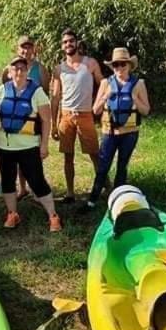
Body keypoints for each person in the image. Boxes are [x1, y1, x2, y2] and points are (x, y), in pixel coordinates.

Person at [0, 56, 62, 232]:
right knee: (7, 181)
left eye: (22, 68)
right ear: (10, 72)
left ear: (27, 70)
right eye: (15, 69)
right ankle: (12, 213)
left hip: (28, 147)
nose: (18, 71)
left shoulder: (37, 92)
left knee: (37, 181)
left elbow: (46, 120)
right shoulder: (1, 90)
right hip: (3, 147)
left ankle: (53, 215)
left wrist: (44, 145)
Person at [86, 47, 151, 208]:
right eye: (116, 65)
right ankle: (92, 200)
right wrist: (106, 96)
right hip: (109, 133)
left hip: (129, 133)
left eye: (123, 64)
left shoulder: (138, 84)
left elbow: (146, 110)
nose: (120, 68)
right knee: (103, 167)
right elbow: (95, 110)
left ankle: (118, 201)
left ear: (129, 65)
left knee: (122, 167)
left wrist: (135, 99)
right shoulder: (105, 83)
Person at [51, 28, 104, 202]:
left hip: (85, 115)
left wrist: (99, 104)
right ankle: (70, 193)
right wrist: (53, 124)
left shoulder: (90, 63)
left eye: (71, 41)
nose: (68, 44)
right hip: (66, 116)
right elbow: (56, 96)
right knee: (68, 155)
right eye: (65, 42)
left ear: (76, 42)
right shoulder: (59, 69)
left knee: (95, 154)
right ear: (61, 46)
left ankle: (106, 187)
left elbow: (103, 84)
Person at [0, 36, 50, 200]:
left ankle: (37, 189)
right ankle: (22, 188)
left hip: (33, 121)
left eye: (29, 47)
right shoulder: (10, 69)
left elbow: (45, 91)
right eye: (23, 47)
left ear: (33, 49)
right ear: (17, 49)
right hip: (14, 123)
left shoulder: (40, 69)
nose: (26, 50)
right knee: (16, 156)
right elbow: (4, 91)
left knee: (33, 158)